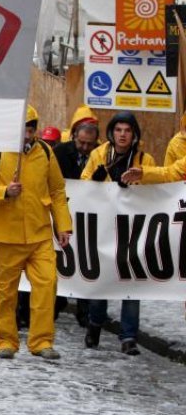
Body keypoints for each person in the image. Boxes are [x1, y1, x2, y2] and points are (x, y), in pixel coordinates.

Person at [0, 105, 72, 361]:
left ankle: (41, 341)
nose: (26, 134)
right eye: (21, 129)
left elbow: (58, 190)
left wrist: (64, 225)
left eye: (29, 128)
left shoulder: (46, 152)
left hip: (39, 234)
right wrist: (4, 192)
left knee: (47, 284)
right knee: (5, 292)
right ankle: (5, 340)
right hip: (6, 236)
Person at [81, 112, 153, 356]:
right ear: (112, 133)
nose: (123, 135)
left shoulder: (145, 159)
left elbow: (156, 191)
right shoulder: (98, 155)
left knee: (130, 282)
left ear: (134, 135)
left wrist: (135, 187)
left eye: (128, 130)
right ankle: (95, 325)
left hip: (133, 230)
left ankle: (129, 336)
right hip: (104, 228)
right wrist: (95, 180)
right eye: (119, 130)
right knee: (102, 281)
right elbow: (82, 187)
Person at [52, 116, 100, 326]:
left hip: (89, 216)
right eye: (81, 143)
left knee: (85, 262)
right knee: (60, 261)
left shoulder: (99, 155)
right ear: (73, 137)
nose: (85, 148)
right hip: (63, 213)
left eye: (90, 144)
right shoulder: (60, 153)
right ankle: (56, 304)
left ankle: (84, 312)